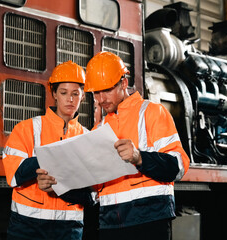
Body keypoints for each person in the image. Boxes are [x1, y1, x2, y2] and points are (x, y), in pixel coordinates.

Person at [84, 51, 190, 240]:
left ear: (124, 83)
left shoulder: (152, 112)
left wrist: (139, 157)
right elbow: (95, 186)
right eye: (96, 93)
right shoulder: (98, 129)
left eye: (106, 90)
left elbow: (178, 166)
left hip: (149, 222)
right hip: (110, 224)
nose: (101, 99)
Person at [2, 61, 94, 240]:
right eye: (64, 93)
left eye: (76, 94)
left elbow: (93, 195)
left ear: (83, 96)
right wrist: (46, 163)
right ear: (54, 94)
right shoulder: (27, 128)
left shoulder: (88, 138)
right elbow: (13, 174)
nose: (70, 99)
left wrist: (60, 188)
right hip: (26, 226)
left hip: (69, 229)